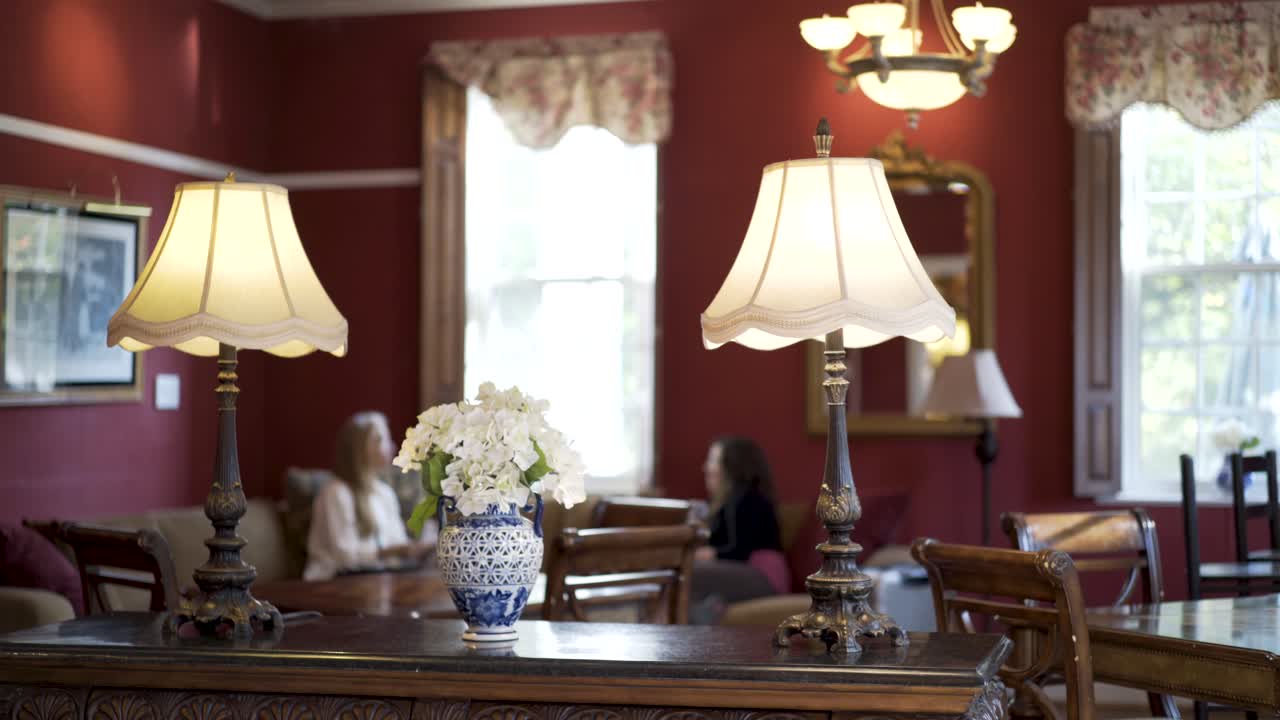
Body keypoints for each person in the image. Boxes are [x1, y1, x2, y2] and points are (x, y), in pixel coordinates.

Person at [304, 411, 435, 581]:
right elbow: (344, 557)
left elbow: (398, 541)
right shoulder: (336, 492)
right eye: (379, 440)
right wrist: (395, 551)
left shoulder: (385, 493)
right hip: (336, 580)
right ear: (357, 449)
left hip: (377, 578)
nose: (390, 446)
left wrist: (417, 547)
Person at [690, 435, 785, 622]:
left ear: (731, 467)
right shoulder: (726, 502)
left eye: (712, 461)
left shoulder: (747, 499)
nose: (706, 468)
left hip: (763, 573)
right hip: (748, 569)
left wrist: (709, 554)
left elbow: (739, 550)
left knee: (689, 573)